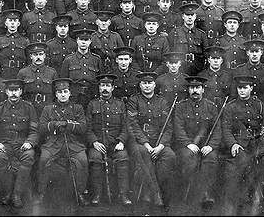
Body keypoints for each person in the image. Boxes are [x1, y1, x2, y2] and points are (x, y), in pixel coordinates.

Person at [221, 75, 264, 215]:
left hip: (257, 142)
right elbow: (226, 129)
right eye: (239, 88)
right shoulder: (230, 107)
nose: (241, 91)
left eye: (245, 88)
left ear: (251, 88)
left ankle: (257, 184)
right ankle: (241, 195)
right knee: (242, 163)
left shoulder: (258, 104)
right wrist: (233, 144)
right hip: (240, 143)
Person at [0, 79, 39, 208]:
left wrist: (30, 142)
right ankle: (7, 192)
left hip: (22, 144)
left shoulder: (29, 108)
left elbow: (35, 131)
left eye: (16, 90)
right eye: (11, 90)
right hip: (5, 145)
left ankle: (17, 194)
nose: (13, 93)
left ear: (21, 92)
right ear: (6, 91)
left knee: (28, 156)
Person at [36, 78, 90, 206]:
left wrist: (68, 124)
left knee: (83, 161)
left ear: (70, 93)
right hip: (53, 144)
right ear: (56, 94)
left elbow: (83, 127)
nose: (63, 94)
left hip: (73, 144)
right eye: (60, 92)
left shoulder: (77, 108)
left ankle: (80, 193)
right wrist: (54, 124)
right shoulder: (48, 109)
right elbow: (42, 128)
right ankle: (41, 193)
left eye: (65, 91)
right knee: (43, 160)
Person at [127, 72, 175, 206]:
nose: (147, 86)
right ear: (140, 85)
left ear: (154, 85)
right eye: (144, 83)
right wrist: (146, 144)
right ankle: (155, 194)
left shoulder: (163, 102)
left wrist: (160, 146)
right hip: (139, 142)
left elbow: (168, 128)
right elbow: (133, 125)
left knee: (170, 156)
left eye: (150, 83)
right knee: (142, 153)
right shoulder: (133, 101)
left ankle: (150, 191)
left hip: (159, 143)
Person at [173, 76, 220, 209]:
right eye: (192, 88)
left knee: (210, 160)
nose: (195, 90)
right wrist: (188, 143)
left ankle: (206, 193)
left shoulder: (211, 107)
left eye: (198, 87)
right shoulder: (181, 106)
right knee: (189, 158)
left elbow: (217, 129)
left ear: (203, 89)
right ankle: (189, 193)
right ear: (188, 90)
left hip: (206, 145)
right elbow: (178, 128)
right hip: (187, 145)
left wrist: (210, 146)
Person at [85, 74, 132, 205]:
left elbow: (126, 126)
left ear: (112, 88)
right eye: (102, 85)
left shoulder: (120, 104)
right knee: (95, 158)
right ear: (99, 87)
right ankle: (97, 194)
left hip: (116, 144)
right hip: (98, 144)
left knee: (123, 157)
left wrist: (122, 141)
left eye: (108, 86)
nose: (105, 88)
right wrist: (94, 141)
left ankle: (124, 194)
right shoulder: (92, 104)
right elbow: (87, 127)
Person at [60, 28, 103, 109]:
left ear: (90, 41)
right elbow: (64, 81)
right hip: (74, 97)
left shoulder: (96, 59)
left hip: (92, 96)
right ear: (77, 40)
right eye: (81, 39)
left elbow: (100, 80)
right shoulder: (69, 59)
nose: (83, 42)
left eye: (86, 40)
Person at [17, 42, 58, 116]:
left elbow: (56, 93)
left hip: (47, 109)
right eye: (35, 55)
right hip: (28, 109)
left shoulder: (52, 72)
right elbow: (19, 94)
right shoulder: (23, 72)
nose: (38, 57)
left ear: (45, 56)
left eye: (41, 54)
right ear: (31, 56)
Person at [167, 2, 208, 75]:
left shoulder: (201, 34)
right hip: (180, 70)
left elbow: (206, 54)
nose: (190, 17)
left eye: (192, 15)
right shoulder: (175, 33)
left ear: (195, 16)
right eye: (187, 15)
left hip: (198, 69)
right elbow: (170, 52)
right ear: (183, 16)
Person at [0, 9, 30, 78]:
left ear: (18, 24)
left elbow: (29, 60)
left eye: (15, 21)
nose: (12, 23)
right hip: (4, 73)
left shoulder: (25, 41)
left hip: (20, 73)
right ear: (6, 23)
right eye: (10, 21)